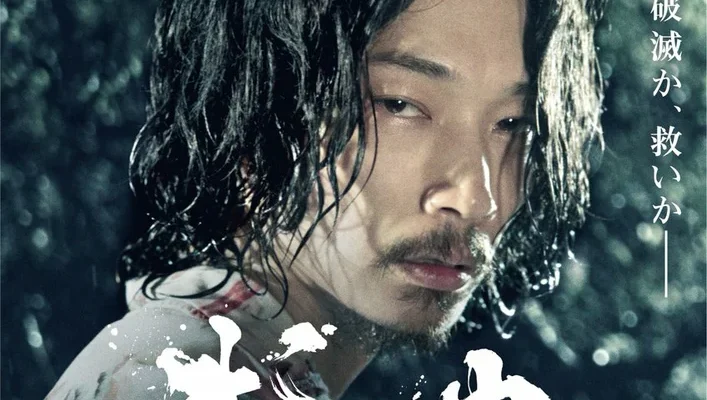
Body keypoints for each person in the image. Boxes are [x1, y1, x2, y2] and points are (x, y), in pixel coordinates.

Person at [47, 0, 604, 398]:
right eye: (400, 104)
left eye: (512, 123)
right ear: (254, 111)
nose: (479, 199)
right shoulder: (184, 377)